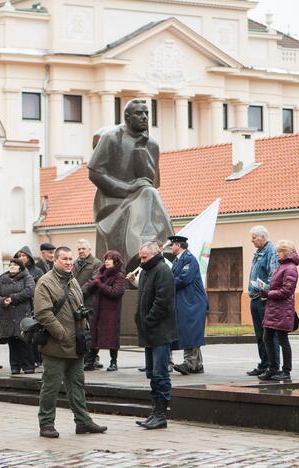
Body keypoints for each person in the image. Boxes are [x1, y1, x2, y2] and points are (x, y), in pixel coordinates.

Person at [88, 99, 174, 268]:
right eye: (139, 113)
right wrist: (127, 188)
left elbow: (152, 182)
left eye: (146, 113)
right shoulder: (111, 138)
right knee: (148, 194)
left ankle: (149, 248)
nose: (144, 117)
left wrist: (141, 150)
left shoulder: (151, 145)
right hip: (112, 201)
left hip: (140, 198)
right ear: (127, 116)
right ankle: (155, 248)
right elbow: (94, 173)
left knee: (149, 193)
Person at [33, 246, 107, 439]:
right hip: (56, 343)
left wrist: (84, 330)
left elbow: (79, 306)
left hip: (77, 343)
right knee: (51, 385)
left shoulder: (73, 280)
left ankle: (83, 422)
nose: (68, 262)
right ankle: (46, 423)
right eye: (64, 259)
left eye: (70, 259)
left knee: (77, 384)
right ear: (55, 260)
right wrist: (61, 334)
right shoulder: (46, 282)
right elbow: (43, 313)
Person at [133, 241, 177, 430]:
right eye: (140, 257)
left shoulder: (162, 270)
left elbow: (162, 301)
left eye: (144, 257)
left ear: (155, 254)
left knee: (160, 373)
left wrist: (148, 320)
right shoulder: (145, 271)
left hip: (159, 330)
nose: (141, 261)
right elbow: (142, 297)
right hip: (148, 331)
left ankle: (161, 414)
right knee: (152, 373)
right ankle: (154, 411)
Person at [259, 240, 299, 382]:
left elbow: (286, 291)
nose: (276, 254)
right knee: (267, 337)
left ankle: (286, 370)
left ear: (286, 252)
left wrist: (268, 293)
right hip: (274, 309)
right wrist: (267, 289)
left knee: (283, 339)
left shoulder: (290, 268)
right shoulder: (282, 266)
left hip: (282, 310)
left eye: (279, 252)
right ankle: (273, 368)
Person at [169, 236, 209, 376]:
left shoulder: (189, 259)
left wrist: (165, 284)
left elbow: (184, 279)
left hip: (194, 302)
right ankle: (197, 365)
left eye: (172, 244)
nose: (170, 247)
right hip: (187, 301)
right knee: (191, 332)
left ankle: (189, 364)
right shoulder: (178, 260)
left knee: (191, 332)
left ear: (179, 245)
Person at [83, 250, 126, 371]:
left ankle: (113, 362)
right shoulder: (102, 273)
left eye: (109, 259)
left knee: (111, 336)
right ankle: (91, 360)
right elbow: (91, 289)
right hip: (97, 309)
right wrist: (95, 283)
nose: (106, 261)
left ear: (116, 261)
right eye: (105, 259)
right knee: (94, 334)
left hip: (111, 312)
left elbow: (116, 292)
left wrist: (100, 284)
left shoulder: (119, 275)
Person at [247, 226, 280, 377]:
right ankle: (264, 363)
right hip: (255, 297)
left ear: (263, 237)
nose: (252, 240)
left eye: (254, 237)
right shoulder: (260, 252)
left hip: (263, 298)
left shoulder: (270, 251)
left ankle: (272, 366)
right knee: (260, 334)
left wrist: (265, 291)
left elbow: (273, 275)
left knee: (268, 335)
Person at [0, 258, 36, 374]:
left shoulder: (27, 277)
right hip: (8, 315)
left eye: (15, 265)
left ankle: (28, 366)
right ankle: (15, 366)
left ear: (20, 267)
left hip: (22, 314)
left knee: (24, 341)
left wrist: (13, 298)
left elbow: (30, 291)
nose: (12, 266)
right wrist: (3, 301)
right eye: (11, 265)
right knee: (12, 341)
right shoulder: (3, 279)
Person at [75, 239, 104, 370]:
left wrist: (77, 293)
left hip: (89, 301)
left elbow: (93, 281)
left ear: (89, 249)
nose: (81, 251)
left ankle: (91, 358)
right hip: (75, 302)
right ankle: (82, 356)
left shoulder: (97, 263)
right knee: (77, 330)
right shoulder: (74, 263)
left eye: (83, 249)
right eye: (79, 249)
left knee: (89, 331)